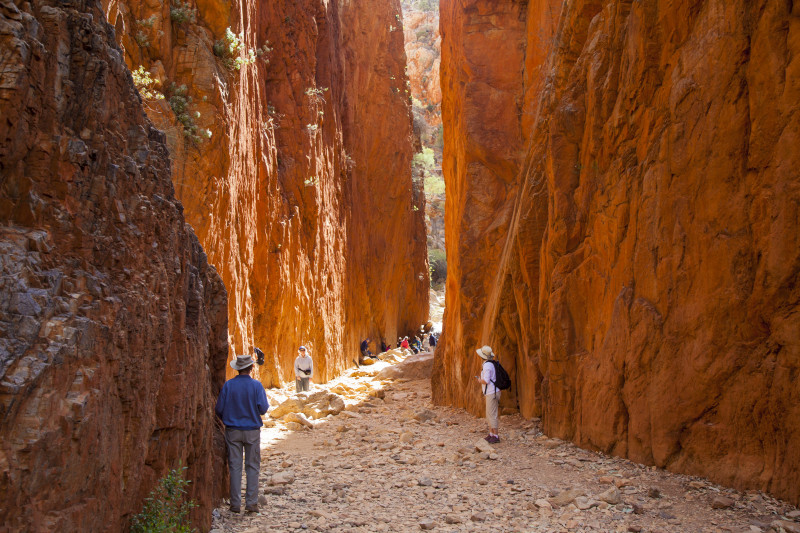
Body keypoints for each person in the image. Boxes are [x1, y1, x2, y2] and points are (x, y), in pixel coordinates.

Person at [215, 354, 269, 513]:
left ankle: (235, 504)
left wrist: (228, 419)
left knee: (235, 466)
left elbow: (219, 409)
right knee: (252, 466)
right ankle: (251, 503)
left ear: (237, 369)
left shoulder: (228, 385)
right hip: (252, 431)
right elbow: (263, 408)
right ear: (251, 368)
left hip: (233, 431)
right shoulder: (257, 386)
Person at [475, 345, 500, 443]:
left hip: (491, 392)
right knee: (489, 414)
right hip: (492, 392)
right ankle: (491, 434)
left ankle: (496, 436)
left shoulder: (487, 365)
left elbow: (486, 380)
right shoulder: (490, 364)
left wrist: (479, 380)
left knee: (492, 414)